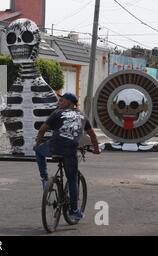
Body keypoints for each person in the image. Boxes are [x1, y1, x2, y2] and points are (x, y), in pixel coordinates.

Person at [34, 92, 100, 221]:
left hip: (54, 146)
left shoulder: (57, 113)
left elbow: (42, 130)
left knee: (38, 151)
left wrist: (37, 144)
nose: (59, 103)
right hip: (70, 150)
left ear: (70, 102)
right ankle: (74, 211)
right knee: (73, 180)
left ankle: (44, 179)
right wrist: (96, 149)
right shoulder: (82, 115)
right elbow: (92, 134)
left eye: (62, 101)